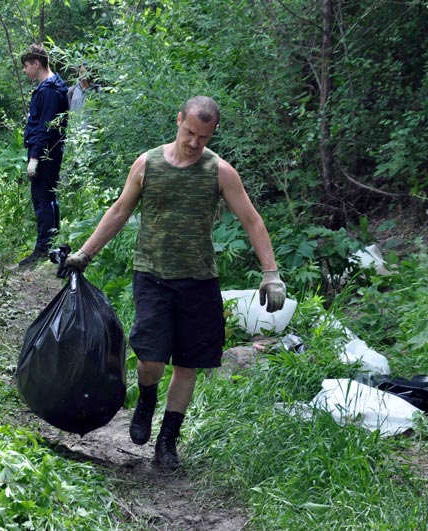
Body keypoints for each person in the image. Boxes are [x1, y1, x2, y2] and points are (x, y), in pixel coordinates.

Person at [63, 96, 287, 469]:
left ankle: (167, 442)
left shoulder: (219, 171)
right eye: (190, 132)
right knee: (150, 359)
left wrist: (271, 272)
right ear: (178, 119)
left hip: (198, 282)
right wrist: (85, 254)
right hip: (152, 276)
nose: (195, 143)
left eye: (204, 136)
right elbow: (119, 210)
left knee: (187, 366)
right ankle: (147, 399)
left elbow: (251, 219)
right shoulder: (147, 164)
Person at [19, 44, 69, 267]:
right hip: (50, 152)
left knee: (43, 200)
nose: (24, 71)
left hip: (46, 154)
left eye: (26, 66)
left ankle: (43, 248)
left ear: (36, 64)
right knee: (49, 198)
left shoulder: (49, 90)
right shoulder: (53, 86)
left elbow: (46, 127)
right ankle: (51, 244)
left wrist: (35, 157)